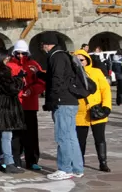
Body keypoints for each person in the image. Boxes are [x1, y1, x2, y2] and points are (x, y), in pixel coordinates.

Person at [38, 31, 83, 181]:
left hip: (62, 102)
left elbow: (57, 79)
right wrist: (40, 74)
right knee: (71, 137)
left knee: (62, 137)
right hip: (70, 100)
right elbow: (59, 77)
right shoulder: (63, 55)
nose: (42, 48)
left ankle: (64, 169)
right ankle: (77, 169)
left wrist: (52, 99)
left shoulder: (55, 56)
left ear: (47, 44)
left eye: (42, 45)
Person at [0, 47, 25, 173]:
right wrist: (19, 79)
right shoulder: (3, 70)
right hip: (5, 106)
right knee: (7, 135)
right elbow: (12, 88)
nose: (8, 58)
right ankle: (9, 163)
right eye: (6, 56)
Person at [7, 40, 44, 171]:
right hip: (16, 105)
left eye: (23, 53)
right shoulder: (10, 66)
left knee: (31, 135)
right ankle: (16, 159)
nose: (21, 56)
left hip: (30, 104)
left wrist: (32, 90)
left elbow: (41, 83)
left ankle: (32, 160)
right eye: (18, 53)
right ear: (14, 53)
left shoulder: (33, 65)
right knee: (16, 135)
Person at [74, 48, 111, 173]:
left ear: (87, 60)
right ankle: (80, 162)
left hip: (97, 110)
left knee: (100, 138)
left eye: (82, 60)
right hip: (80, 113)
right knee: (80, 140)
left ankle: (103, 162)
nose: (80, 62)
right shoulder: (71, 74)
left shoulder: (96, 72)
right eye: (77, 60)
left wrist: (106, 106)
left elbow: (105, 90)